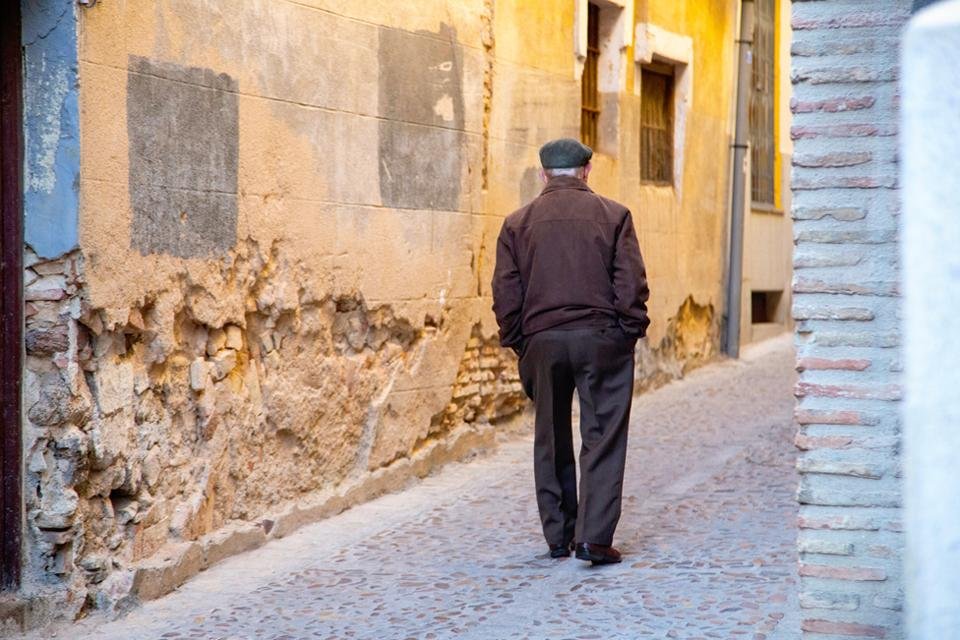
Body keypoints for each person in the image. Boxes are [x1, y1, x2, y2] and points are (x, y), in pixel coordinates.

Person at [491, 138, 650, 565]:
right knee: (602, 435)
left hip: (542, 340)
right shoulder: (615, 216)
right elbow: (631, 284)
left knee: (550, 435)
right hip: (601, 339)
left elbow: (506, 294)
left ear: (543, 174)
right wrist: (627, 333)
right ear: (587, 171)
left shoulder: (516, 223)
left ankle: (559, 537)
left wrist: (521, 342)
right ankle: (594, 538)